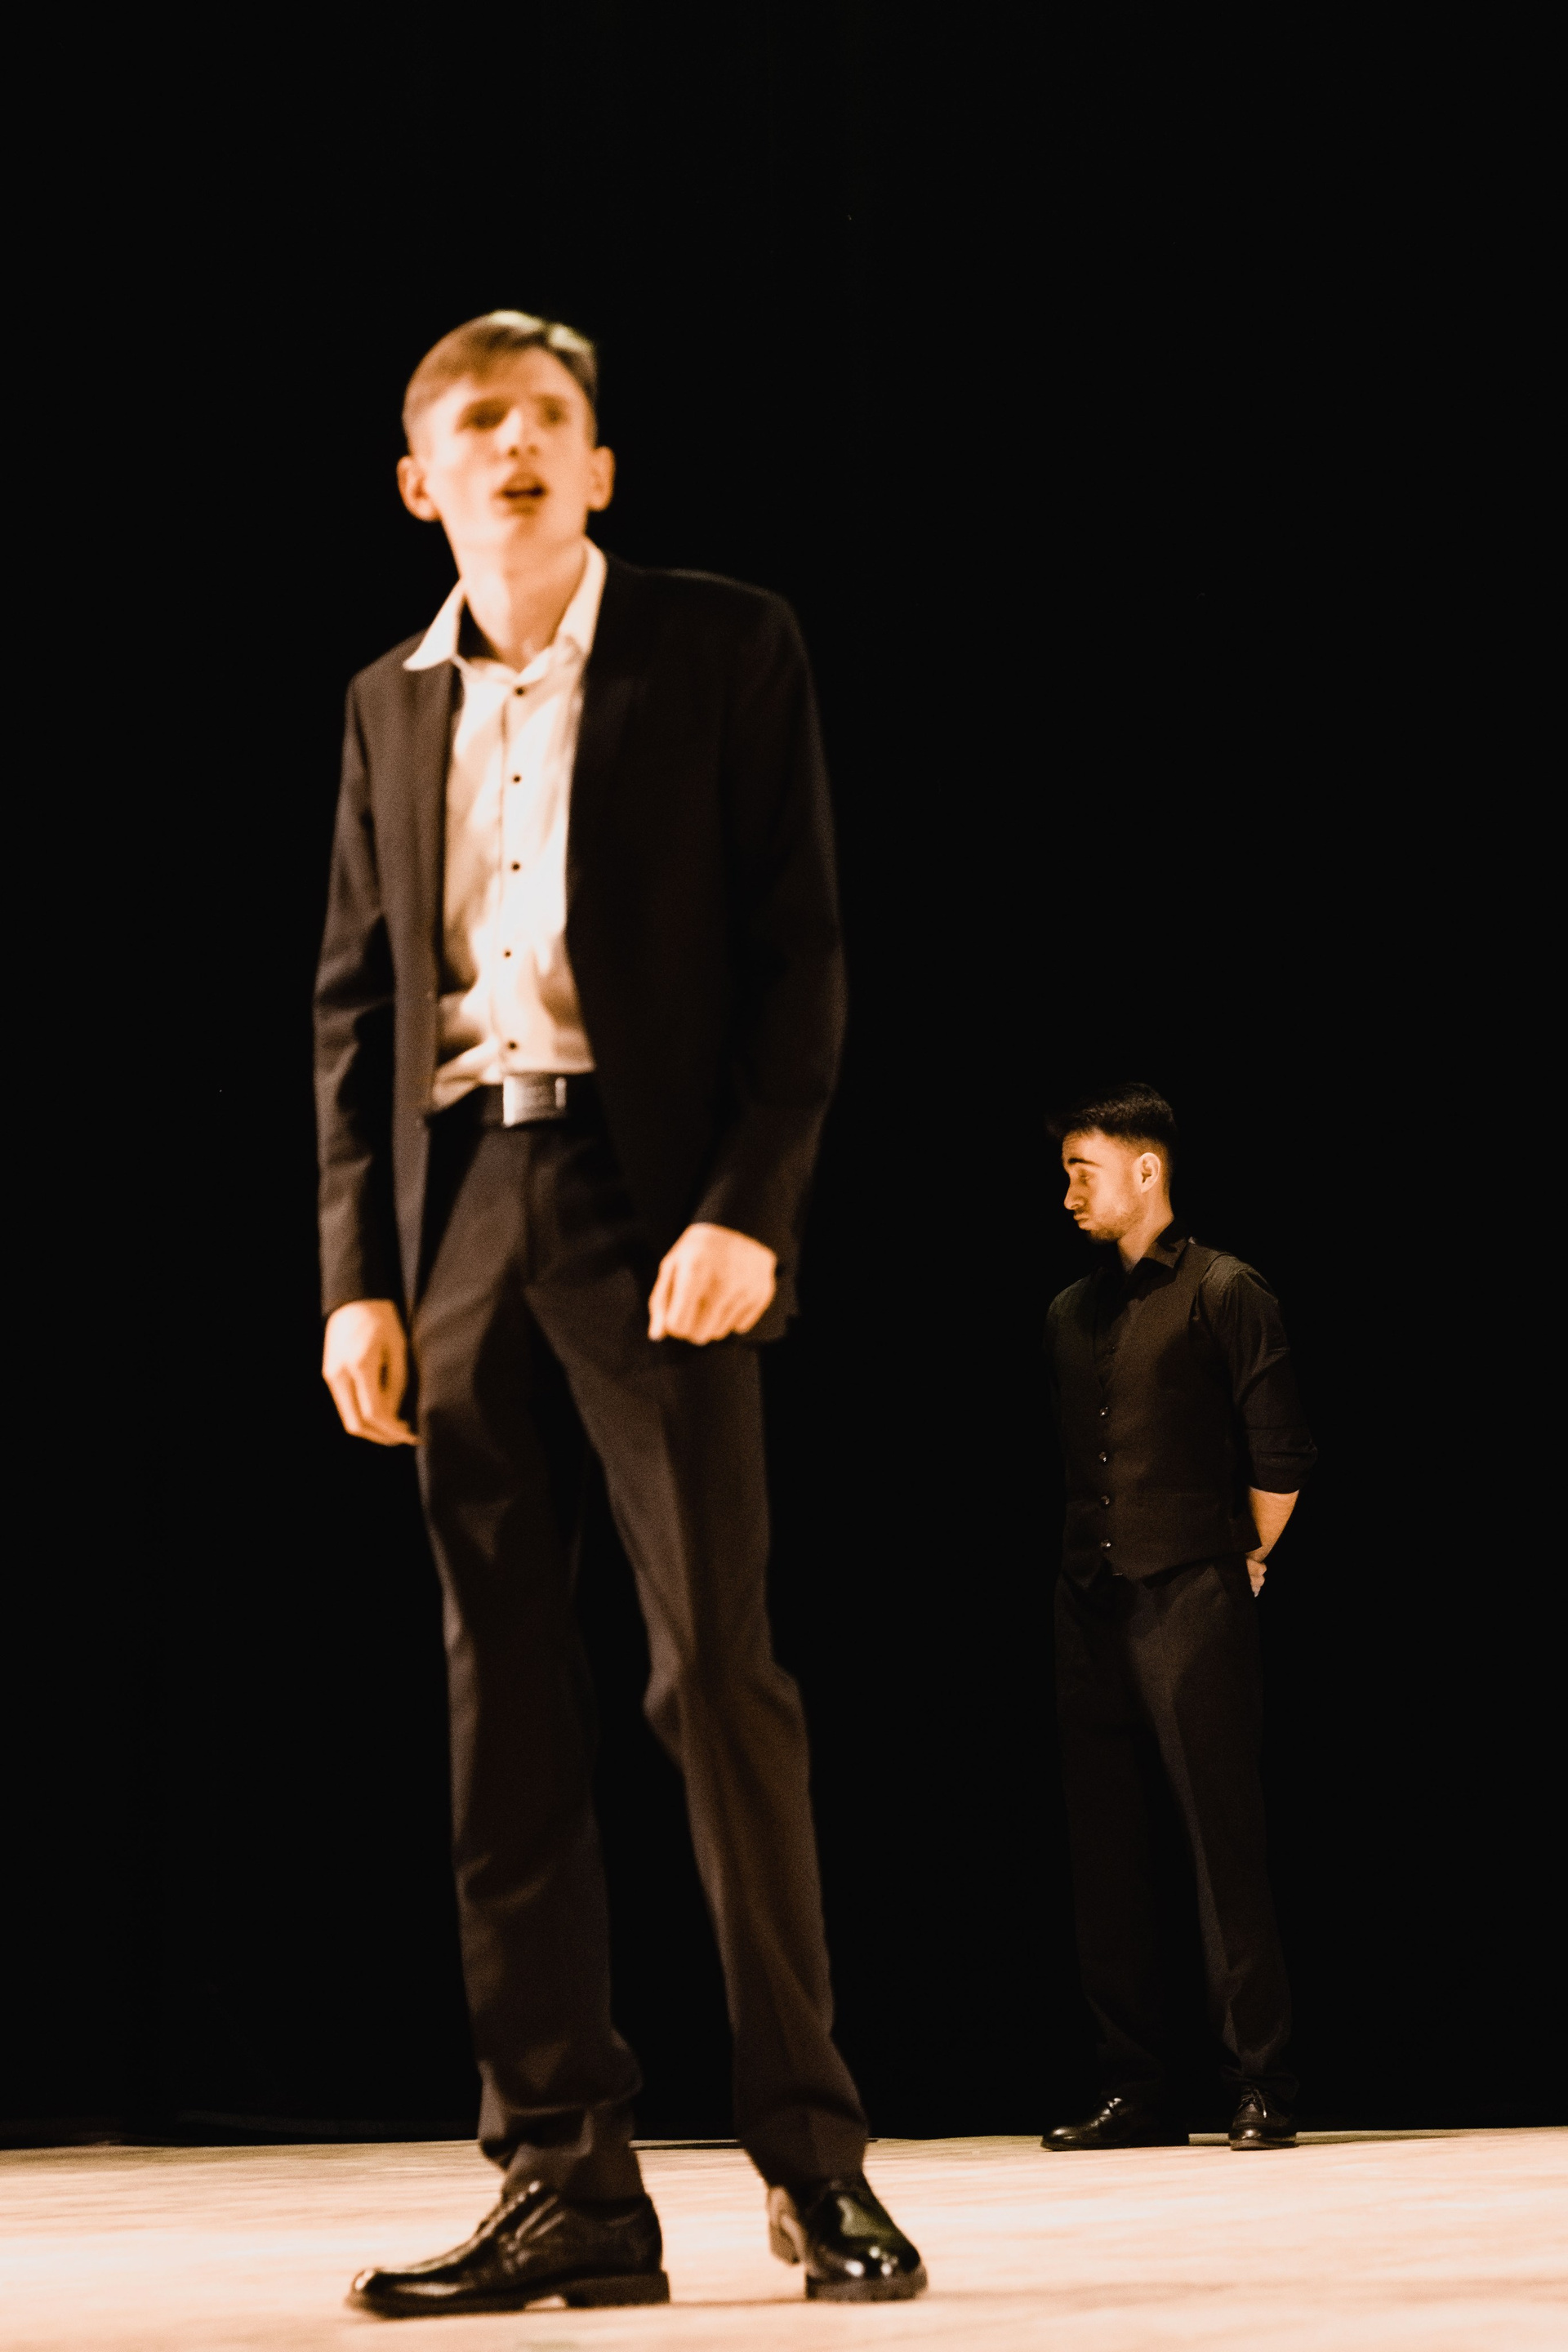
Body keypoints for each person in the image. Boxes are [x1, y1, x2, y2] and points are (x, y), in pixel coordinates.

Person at [314, 310, 924, 2311]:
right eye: (475, 423)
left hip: (654, 1205)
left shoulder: (721, 645)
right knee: (501, 1702)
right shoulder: (387, 703)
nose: (514, 446)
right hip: (462, 1205)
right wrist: (357, 1276)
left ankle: (814, 2161)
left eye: (550, 419)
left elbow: (802, 955)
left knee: (715, 1682)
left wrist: (752, 1211)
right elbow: (354, 1005)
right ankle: (565, 2178)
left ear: (599, 466)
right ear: (419, 481)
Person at [1040, 1084, 1316, 2154]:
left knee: (1218, 1839)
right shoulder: (1069, 1312)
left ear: (1146, 1169)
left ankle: (1260, 2082)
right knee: (1104, 1848)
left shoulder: (1224, 1289)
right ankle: (1137, 2087)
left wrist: (1245, 1556)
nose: (1068, 1193)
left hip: (1194, 1595)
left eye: (1084, 1171)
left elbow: (1280, 1450)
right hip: (1089, 1598)